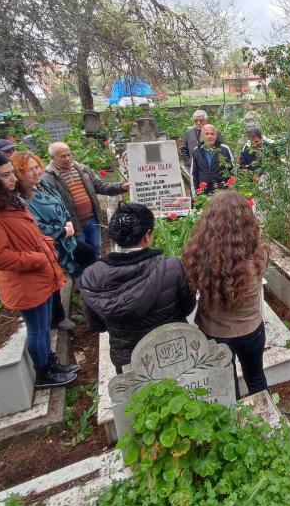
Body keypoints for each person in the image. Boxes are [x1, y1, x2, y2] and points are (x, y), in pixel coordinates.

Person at [0, 151, 78, 388]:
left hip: (40, 275)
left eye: (12, 173)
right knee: (37, 330)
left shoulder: (8, 200)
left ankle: (50, 363)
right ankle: (43, 373)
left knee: (45, 328)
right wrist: (38, 258)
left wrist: (46, 249)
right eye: (5, 175)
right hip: (26, 282)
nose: (13, 178)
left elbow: (31, 235)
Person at [78, 203, 196, 374]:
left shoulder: (92, 276)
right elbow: (188, 307)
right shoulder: (171, 268)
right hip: (173, 351)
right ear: (147, 235)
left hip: (129, 359)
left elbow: (96, 325)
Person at [181, 190, 268, 397]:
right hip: (251, 330)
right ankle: (267, 419)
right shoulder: (258, 255)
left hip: (214, 333)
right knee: (256, 377)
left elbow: (190, 291)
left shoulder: (198, 259)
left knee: (226, 384)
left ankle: (234, 422)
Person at [11, 152, 81, 331]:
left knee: (87, 257)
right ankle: (57, 320)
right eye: (29, 170)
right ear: (19, 173)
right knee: (53, 283)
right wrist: (61, 231)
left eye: (37, 167)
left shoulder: (43, 185)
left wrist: (68, 221)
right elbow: (36, 226)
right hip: (50, 245)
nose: (36, 172)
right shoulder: (23, 198)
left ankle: (87, 295)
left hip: (68, 238)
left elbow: (61, 204)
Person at [42, 141, 130, 257]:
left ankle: (97, 273)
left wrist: (121, 187)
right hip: (73, 226)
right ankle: (85, 275)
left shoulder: (83, 169)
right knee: (81, 256)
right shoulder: (48, 178)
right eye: (63, 156)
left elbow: (99, 186)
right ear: (52, 157)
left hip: (92, 220)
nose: (68, 158)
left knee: (96, 249)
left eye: (69, 154)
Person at [190, 124, 234, 195]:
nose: (210, 136)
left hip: (221, 193)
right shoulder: (197, 151)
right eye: (207, 134)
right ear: (202, 136)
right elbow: (194, 174)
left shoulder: (224, 149)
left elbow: (232, 171)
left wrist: (224, 185)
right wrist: (195, 194)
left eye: (212, 134)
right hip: (203, 193)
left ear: (216, 136)